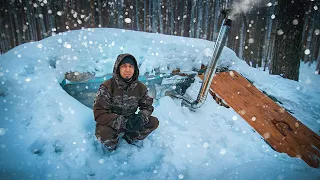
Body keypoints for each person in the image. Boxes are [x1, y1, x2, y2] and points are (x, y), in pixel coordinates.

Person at [93, 53, 159, 151]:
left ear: (135, 69)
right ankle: (113, 147)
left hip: (131, 120)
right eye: (124, 66)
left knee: (153, 122)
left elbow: (147, 107)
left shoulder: (141, 87)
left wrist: (141, 117)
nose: (127, 70)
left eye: (131, 66)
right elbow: (99, 113)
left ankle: (129, 138)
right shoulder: (107, 87)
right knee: (103, 132)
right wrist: (123, 122)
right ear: (118, 68)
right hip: (112, 122)